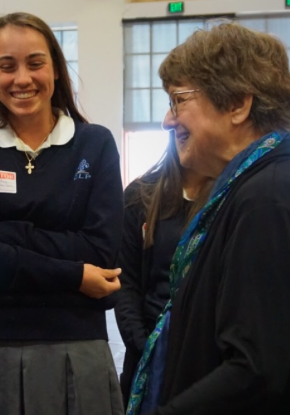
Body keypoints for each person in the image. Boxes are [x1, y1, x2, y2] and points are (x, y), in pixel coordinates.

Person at [127, 22, 290, 415]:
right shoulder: (274, 180)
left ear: (238, 104)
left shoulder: (269, 198)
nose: (168, 121)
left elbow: (253, 371)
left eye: (178, 100)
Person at [0, 12, 124, 415]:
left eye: (35, 63)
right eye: (7, 66)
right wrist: (75, 275)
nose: (22, 79)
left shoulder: (95, 144)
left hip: (78, 351)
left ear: (55, 68)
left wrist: (2, 234)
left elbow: (103, 251)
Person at [115, 132, 211, 409]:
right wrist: (146, 346)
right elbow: (126, 283)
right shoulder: (141, 195)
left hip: (208, 357)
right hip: (148, 354)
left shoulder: (233, 196)